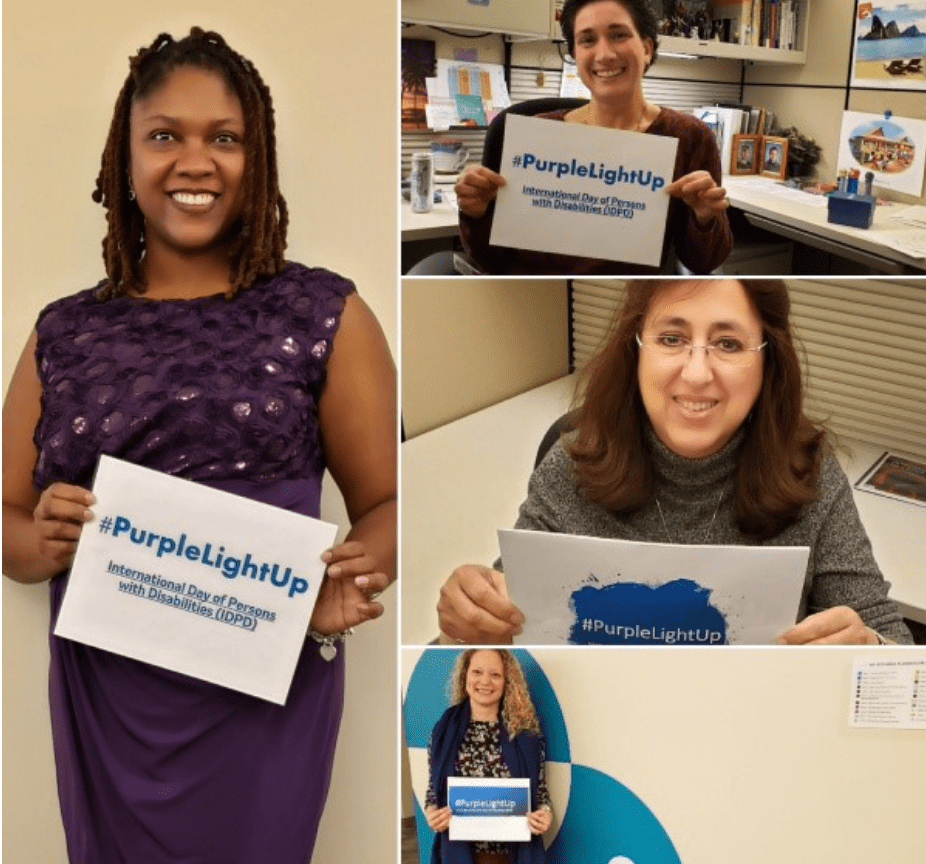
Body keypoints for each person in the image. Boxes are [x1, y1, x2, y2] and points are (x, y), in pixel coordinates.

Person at [1, 28, 396, 863]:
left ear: (258, 159)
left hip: (266, 684)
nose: (195, 161)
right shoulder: (61, 333)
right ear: (125, 156)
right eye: (164, 135)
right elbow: (5, 519)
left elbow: (391, 506)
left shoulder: (325, 315)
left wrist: (336, 584)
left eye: (224, 137)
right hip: (110, 701)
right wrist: (37, 542)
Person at [436, 279, 913, 646]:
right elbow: (493, 630)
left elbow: (898, 656)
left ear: (768, 360)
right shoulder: (572, 466)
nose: (698, 372)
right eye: (671, 339)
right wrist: (466, 622)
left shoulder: (808, 472)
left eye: (728, 344)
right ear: (636, 348)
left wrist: (870, 645)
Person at [455, 0, 732, 275]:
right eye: (587, 40)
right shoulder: (538, 137)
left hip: (619, 300)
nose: (604, 54)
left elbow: (702, 263)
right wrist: (477, 214)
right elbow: (492, 260)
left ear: (646, 48)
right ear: (575, 55)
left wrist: (705, 218)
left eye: (619, 35)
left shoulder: (688, 137)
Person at [425, 649, 552, 864]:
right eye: (477, 672)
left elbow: (539, 793)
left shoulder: (525, 735)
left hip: (513, 855)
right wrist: (432, 813)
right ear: (465, 675)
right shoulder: (443, 731)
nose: (485, 681)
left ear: (507, 682)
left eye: (495, 675)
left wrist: (545, 814)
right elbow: (433, 790)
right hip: (459, 853)